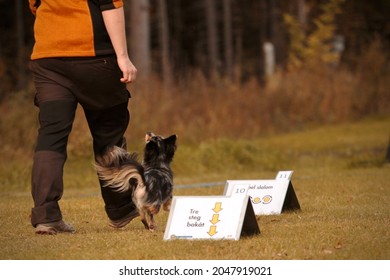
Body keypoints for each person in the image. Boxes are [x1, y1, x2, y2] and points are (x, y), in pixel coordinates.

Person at [28, 0, 139, 234]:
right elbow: (110, 6)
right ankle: (120, 209)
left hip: (48, 60)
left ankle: (46, 215)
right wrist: (123, 56)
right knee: (109, 133)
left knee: (51, 135)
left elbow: (36, 7)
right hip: (95, 57)